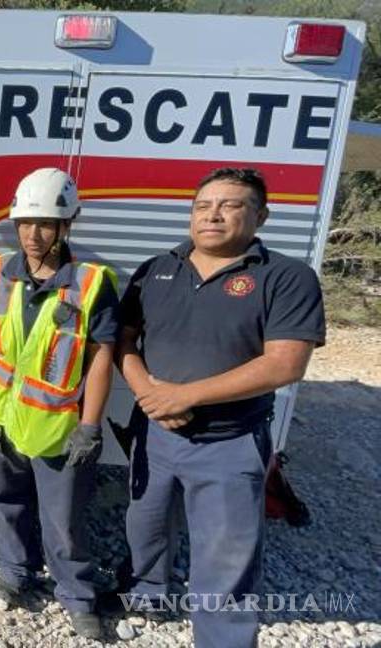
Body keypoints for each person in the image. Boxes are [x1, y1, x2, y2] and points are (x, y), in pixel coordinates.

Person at [116, 168, 325, 647]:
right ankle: (147, 595)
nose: (212, 214)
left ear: (261, 216)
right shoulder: (157, 269)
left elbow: (285, 363)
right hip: (155, 432)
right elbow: (124, 340)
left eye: (230, 205)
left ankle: (223, 636)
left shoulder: (286, 277)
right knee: (145, 526)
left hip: (229, 441)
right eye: (202, 205)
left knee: (226, 555)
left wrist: (184, 395)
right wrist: (149, 392)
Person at [0, 168, 119, 639]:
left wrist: (90, 426)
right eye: (25, 223)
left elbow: (101, 358)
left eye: (45, 223)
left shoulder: (91, 284)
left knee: (63, 520)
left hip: (57, 429)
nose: (33, 234)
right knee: (6, 503)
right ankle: (15, 574)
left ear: (67, 225)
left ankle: (77, 594)